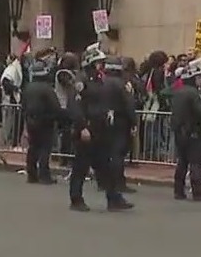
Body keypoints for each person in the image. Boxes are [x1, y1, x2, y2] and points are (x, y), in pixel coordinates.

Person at [69, 44, 133, 212]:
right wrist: (82, 127)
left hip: (101, 129)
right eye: (99, 62)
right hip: (87, 129)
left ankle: (113, 198)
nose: (102, 66)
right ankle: (76, 199)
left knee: (106, 166)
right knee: (81, 167)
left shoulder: (100, 80)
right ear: (90, 63)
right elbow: (75, 106)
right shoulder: (81, 80)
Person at [170, 59, 201, 202]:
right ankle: (198, 191)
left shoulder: (178, 92)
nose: (200, 81)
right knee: (196, 162)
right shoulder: (194, 94)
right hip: (193, 132)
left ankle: (178, 190)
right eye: (198, 78)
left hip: (179, 132)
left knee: (182, 162)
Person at [21, 51, 62, 184]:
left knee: (33, 147)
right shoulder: (47, 89)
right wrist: (59, 116)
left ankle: (31, 174)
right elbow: (55, 106)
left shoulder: (28, 87)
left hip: (31, 121)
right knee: (45, 148)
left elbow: (23, 105)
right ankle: (44, 175)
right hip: (46, 121)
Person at [103, 55, 138, 194]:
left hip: (106, 120)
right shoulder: (122, 84)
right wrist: (133, 122)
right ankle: (118, 183)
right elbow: (129, 104)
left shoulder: (103, 83)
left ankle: (107, 181)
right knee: (118, 154)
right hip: (121, 121)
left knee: (109, 153)